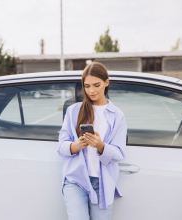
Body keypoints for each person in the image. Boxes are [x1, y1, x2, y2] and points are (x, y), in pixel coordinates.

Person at [57, 62, 127, 220]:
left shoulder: (117, 115)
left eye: (97, 85)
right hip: (76, 180)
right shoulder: (73, 111)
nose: (91, 91)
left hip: (102, 183)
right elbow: (61, 147)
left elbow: (120, 153)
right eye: (87, 86)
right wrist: (76, 145)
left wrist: (100, 146)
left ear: (106, 82)